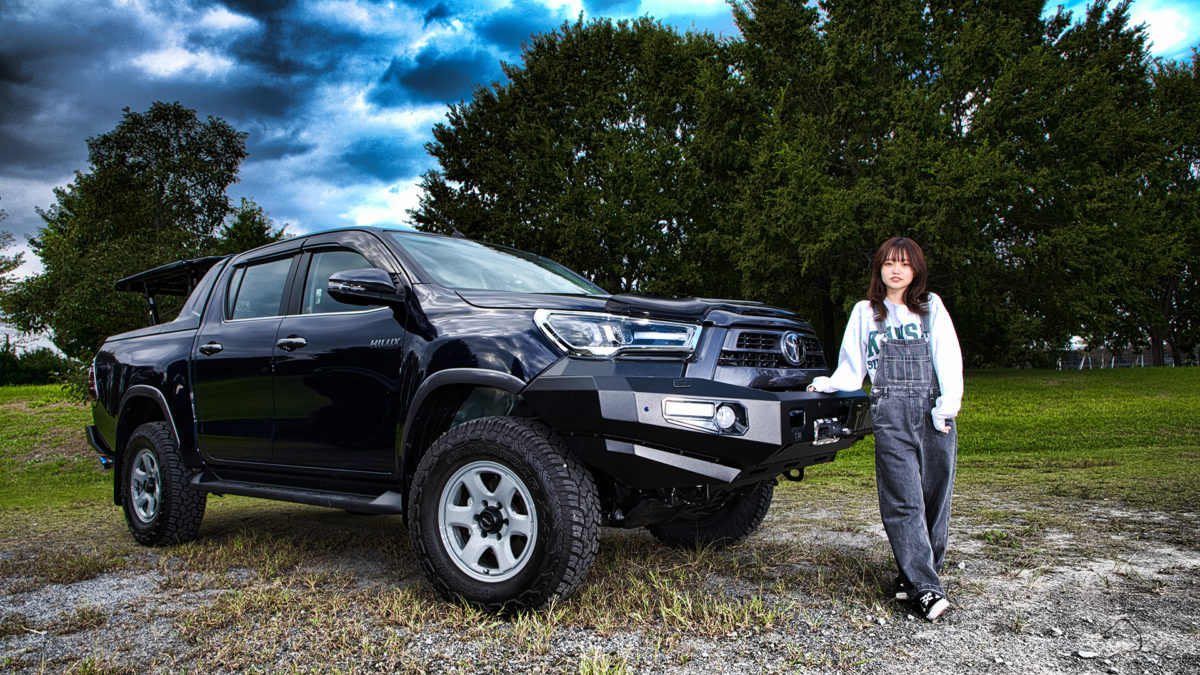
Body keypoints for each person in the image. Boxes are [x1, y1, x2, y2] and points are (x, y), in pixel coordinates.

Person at [807, 236, 963, 621]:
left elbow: (948, 355)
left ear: (916, 271)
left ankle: (915, 577)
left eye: (905, 264)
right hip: (889, 410)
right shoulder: (866, 312)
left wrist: (948, 405)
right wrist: (827, 383)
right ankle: (926, 589)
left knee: (934, 498)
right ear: (879, 268)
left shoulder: (930, 307)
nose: (897, 270)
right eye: (890, 262)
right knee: (902, 500)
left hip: (932, 409)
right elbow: (852, 365)